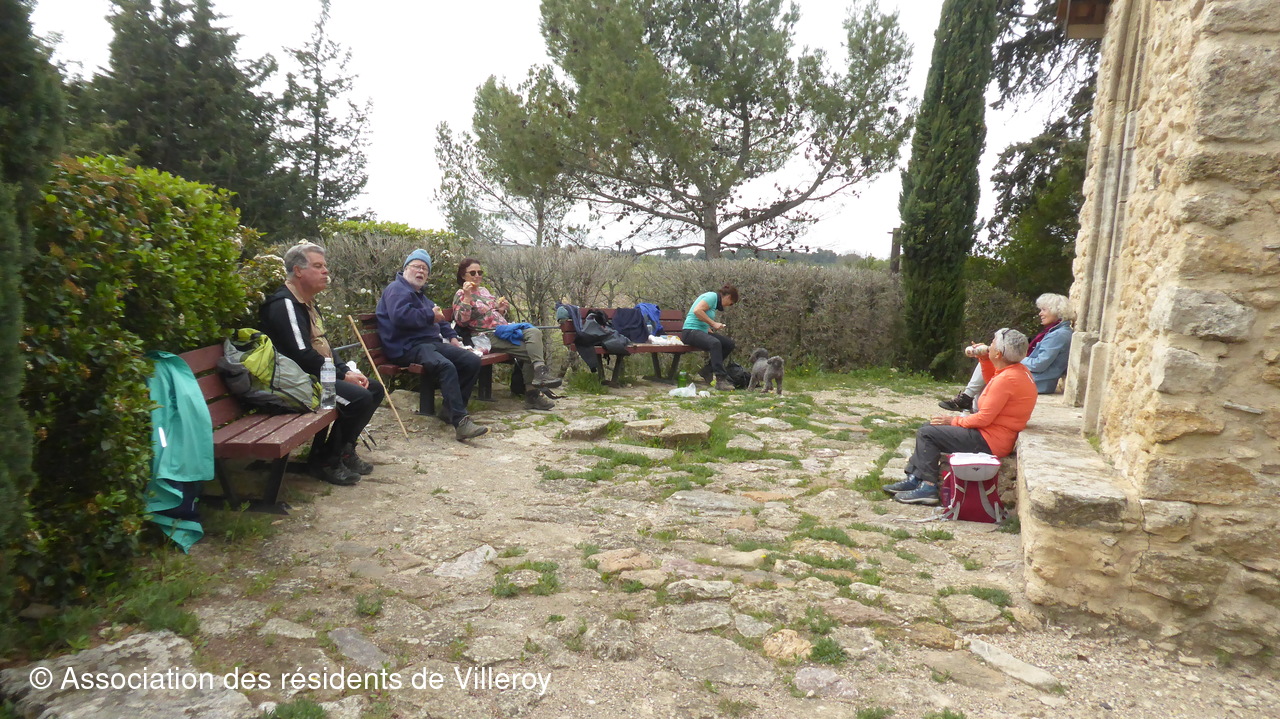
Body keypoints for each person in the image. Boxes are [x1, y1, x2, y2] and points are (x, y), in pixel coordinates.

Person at [261, 242, 385, 486]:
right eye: (318, 266)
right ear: (298, 271)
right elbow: (301, 355)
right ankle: (326, 461)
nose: (325, 271)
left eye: (324, 266)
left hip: (312, 376)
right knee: (358, 398)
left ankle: (344, 451)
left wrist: (346, 370)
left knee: (374, 389)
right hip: (294, 385)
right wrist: (341, 375)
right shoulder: (285, 304)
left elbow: (324, 346)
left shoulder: (307, 303)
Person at [884, 328, 1037, 506]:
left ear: (999, 353)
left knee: (927, 433)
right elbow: (992, 382)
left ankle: (928, 487)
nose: (989, 345)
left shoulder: (1007, 379)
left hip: (989, 440)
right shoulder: (1017, 371)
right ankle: (915, 478)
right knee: (929, 426)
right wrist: (984, 359)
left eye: (993, 342)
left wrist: (953, 421)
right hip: (995, 435)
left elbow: (983, 419)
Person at [376, 249, 488, 441]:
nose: (421, 271)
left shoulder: (419, 295)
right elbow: (400, 317)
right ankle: (461, 422)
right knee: (445, 366)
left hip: (427, 344)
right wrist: (430, 316)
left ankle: (449, 410)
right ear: (406, 268)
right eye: (417, 267)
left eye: (425, 269)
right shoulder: (397, 289)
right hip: (406, 347)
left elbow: (440, 318)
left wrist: (452, 337)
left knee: (471, 360)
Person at [451, 258, 562, 411]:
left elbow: (489, 314)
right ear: (463, 276)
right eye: (473, 273)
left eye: (480, 272)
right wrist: (467, 296)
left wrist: (500, 310)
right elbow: (462, 321)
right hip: (485, 337)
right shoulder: (461, 294)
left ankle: (539, 371)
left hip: (502, 331)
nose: (477, 276)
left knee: (534, 332)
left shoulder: (484, 291)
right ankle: (533, 394)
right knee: (532, 351)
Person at [939, 293, 1074, 411]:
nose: (1040, 313)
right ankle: (970, 402)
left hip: (1039, 381)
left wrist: (1008, 356)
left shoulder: (1059, 335)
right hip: (1036, 377)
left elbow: (1039, 364)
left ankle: (967, 399)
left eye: (1044, 310)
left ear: (1057, 311)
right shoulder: (1054, 331)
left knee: (990, 361)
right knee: (989, 360)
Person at [682, 283, 739, 391]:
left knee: (728, 344)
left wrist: (707, 328)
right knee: (715, 343)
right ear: (728, 297)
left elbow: (702, 316)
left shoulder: (714, 302)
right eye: (731, 303)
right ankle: (720, 380)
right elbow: (697, 311)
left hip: (700, 330)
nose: (728, 306)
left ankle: (707, 370)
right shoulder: (711, 297)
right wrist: (713, 324)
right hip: (690, 331)